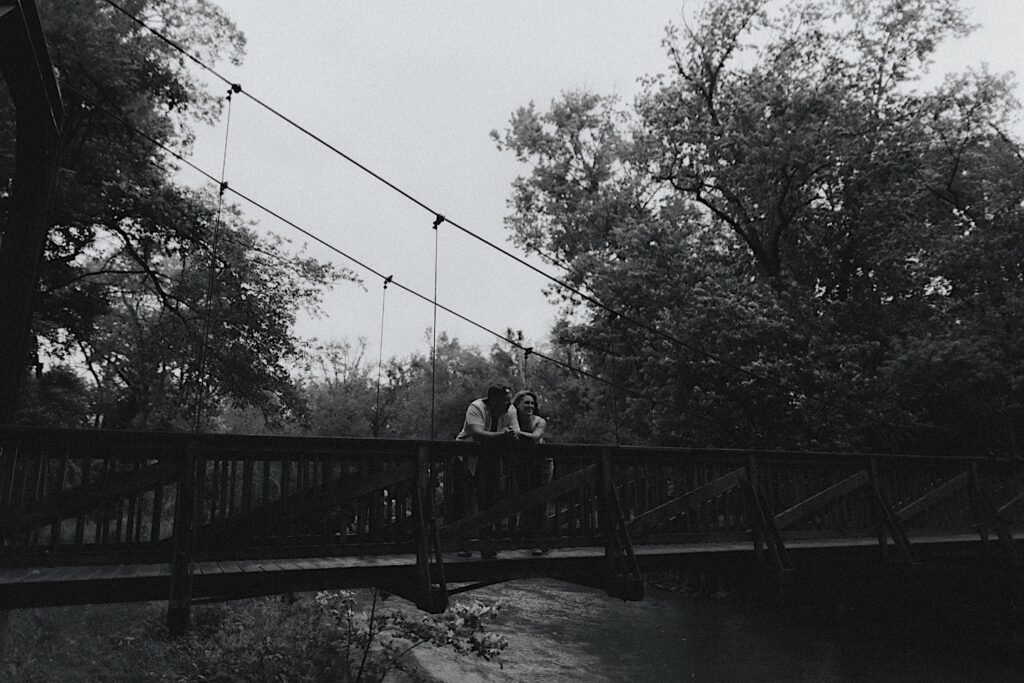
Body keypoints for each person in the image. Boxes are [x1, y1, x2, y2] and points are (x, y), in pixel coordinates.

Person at [454, 383, 519, 557]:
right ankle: (463, 544)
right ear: (494, 400)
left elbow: (516, 432)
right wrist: (503, 436)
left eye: (509, 400)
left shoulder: (510, 410)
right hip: (465, 457)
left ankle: (487, 544)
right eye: (505, 400)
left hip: (489, 457)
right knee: (464, 500)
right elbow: (477, 433)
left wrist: (510, 436)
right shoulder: (476, 407)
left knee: (490, 500)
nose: (509, 403)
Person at [511, 390, 551, 555]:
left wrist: (516, 434)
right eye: (526, 403)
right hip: (524, 464)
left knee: (540, 502)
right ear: (517, 405)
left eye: (532, 403)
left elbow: (535, 436)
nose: (530, 406)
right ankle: (525, 539)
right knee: (525, 500)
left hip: (542, 464)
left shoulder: (539, 421)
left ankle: (539, 542)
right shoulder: (512, 420)